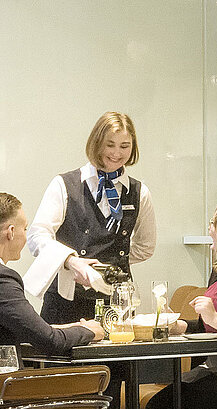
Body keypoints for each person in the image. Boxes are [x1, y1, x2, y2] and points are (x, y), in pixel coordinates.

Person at [28, 111, 158, 324]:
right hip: (66, 299)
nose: (117, 153)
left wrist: (112, 261)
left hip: (117, 302)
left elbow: (146, 246)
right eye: (110, 144)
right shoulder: (64, 185)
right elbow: (37, 236)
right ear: (96, 143)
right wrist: (70, 262)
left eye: (124, 146)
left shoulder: (139, 192)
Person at [0, 193, 103, 355]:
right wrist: (89, 332)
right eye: (25, 228)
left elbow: (28, 329)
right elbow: (49, 341)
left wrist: (77, 327)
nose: (26, 236)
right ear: (11, 232)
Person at [147, 198, 217, 409]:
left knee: (167, 408)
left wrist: (216, 318)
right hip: (214, 367)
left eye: (213, 223)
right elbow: (210, 325)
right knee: (162, 406)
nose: (209, 230)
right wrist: (183, 326)